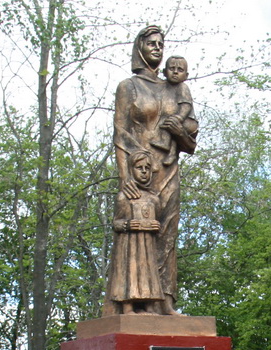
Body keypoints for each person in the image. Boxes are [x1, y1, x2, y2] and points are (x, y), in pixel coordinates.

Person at [106, 24, 198, 316]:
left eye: (161, 43)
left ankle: (166, 298)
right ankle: (134, 300)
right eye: (152, 44)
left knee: (167, 233)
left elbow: (190, 141)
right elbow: (120, 133)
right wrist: (125, 180)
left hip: (168, 170)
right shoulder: (128, 87)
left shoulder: (177, 90)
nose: (157, 47)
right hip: (139, 173)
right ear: (140, 49)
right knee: (136, 235)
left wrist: (178, 129)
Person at [106, 150, 164, 314]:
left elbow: (158, 218)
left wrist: (155, 225)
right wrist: (130, 225)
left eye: (147, 168)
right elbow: (116, 223)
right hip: (130, 245)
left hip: (148, 246)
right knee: (130, 271)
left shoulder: (153, 198)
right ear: (132, 170)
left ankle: (149, 305)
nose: (144, 171)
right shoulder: (124, 196)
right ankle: (128, 306)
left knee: (148, 272)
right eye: (140, 168)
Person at [154, 56, 198, 166]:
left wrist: (178, 118)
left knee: (170, 123)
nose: (175, 72)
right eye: (172, 69)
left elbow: (186, 107)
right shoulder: (163, 88)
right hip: (177, 119)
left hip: (187, 122)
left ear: (186, 75)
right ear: (164, 72)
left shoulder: (182, 87)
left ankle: (172, 152)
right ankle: (164, 145)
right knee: (166, 123)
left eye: (180, 70)